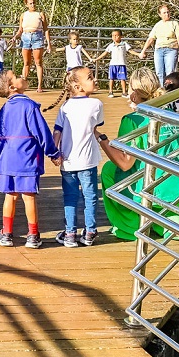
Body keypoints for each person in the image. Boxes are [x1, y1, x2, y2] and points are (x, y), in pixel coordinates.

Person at [100, 68, 179, 240]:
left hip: (153, 188)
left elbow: (125, 163)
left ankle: (132, 225)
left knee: (109, 169)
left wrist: (101, 139)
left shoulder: (132, 120)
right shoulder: (171, 114)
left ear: (134, 93)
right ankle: (169, 221)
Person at [0, 70, 61, 248]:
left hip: (7, 159)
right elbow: (42, 132)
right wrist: (53, 153)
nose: (22, 76)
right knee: (29, 197)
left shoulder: (4, 109)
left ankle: (6, 233)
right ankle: (33, 235)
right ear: (12, 87)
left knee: (10, 196)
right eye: (17, 76)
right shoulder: (29, 106)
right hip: (27, 159)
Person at [51, 67, 105, 247]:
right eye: (90, 77)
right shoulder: (96, 104)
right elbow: (96, 126)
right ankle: (90, 231)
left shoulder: (65, 107)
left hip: (67, 160)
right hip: (87, 160)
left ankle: (70, 233)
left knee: (70, 197)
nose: (94, 79)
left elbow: (57, 131)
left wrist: (54, 152)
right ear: (77, 86)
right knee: (90, 197)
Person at [12, 0, 50, 93]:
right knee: (26, 63)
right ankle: (23, 84)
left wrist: (49, 43)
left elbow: (46, 29)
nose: (33, 5)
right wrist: (15, 37)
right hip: (25, 38)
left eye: (33, 3)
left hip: (37, 37)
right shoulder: (23, 15)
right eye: (30, 3)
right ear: (27, 5)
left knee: (38, 62)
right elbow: (20, 30)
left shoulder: (40, 14)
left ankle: (39, 85)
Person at [137, 4, 179, 84]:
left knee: (170, 72)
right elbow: (150, 39)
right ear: (160, 14)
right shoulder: (157, 25)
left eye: (168, 12)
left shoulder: (174, 23)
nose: (167, 14)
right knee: (159, 73)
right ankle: (162, 89)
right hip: (159, 50)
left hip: (171, 49)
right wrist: (143, 51)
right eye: (164, 13)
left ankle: (170, 89)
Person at [93, 30, 130, 98]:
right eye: (113, 35)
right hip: (113, 64)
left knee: (123, 78)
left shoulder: (124, 44)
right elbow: (105, 53)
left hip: (122, 64)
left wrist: (138, 54)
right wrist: (97, 59)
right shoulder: (111, 45)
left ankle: (124, 92)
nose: (114, 37)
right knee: (111, 78)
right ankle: (110, 92)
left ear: (121, 36)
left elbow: (130, 51)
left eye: (116, 35)